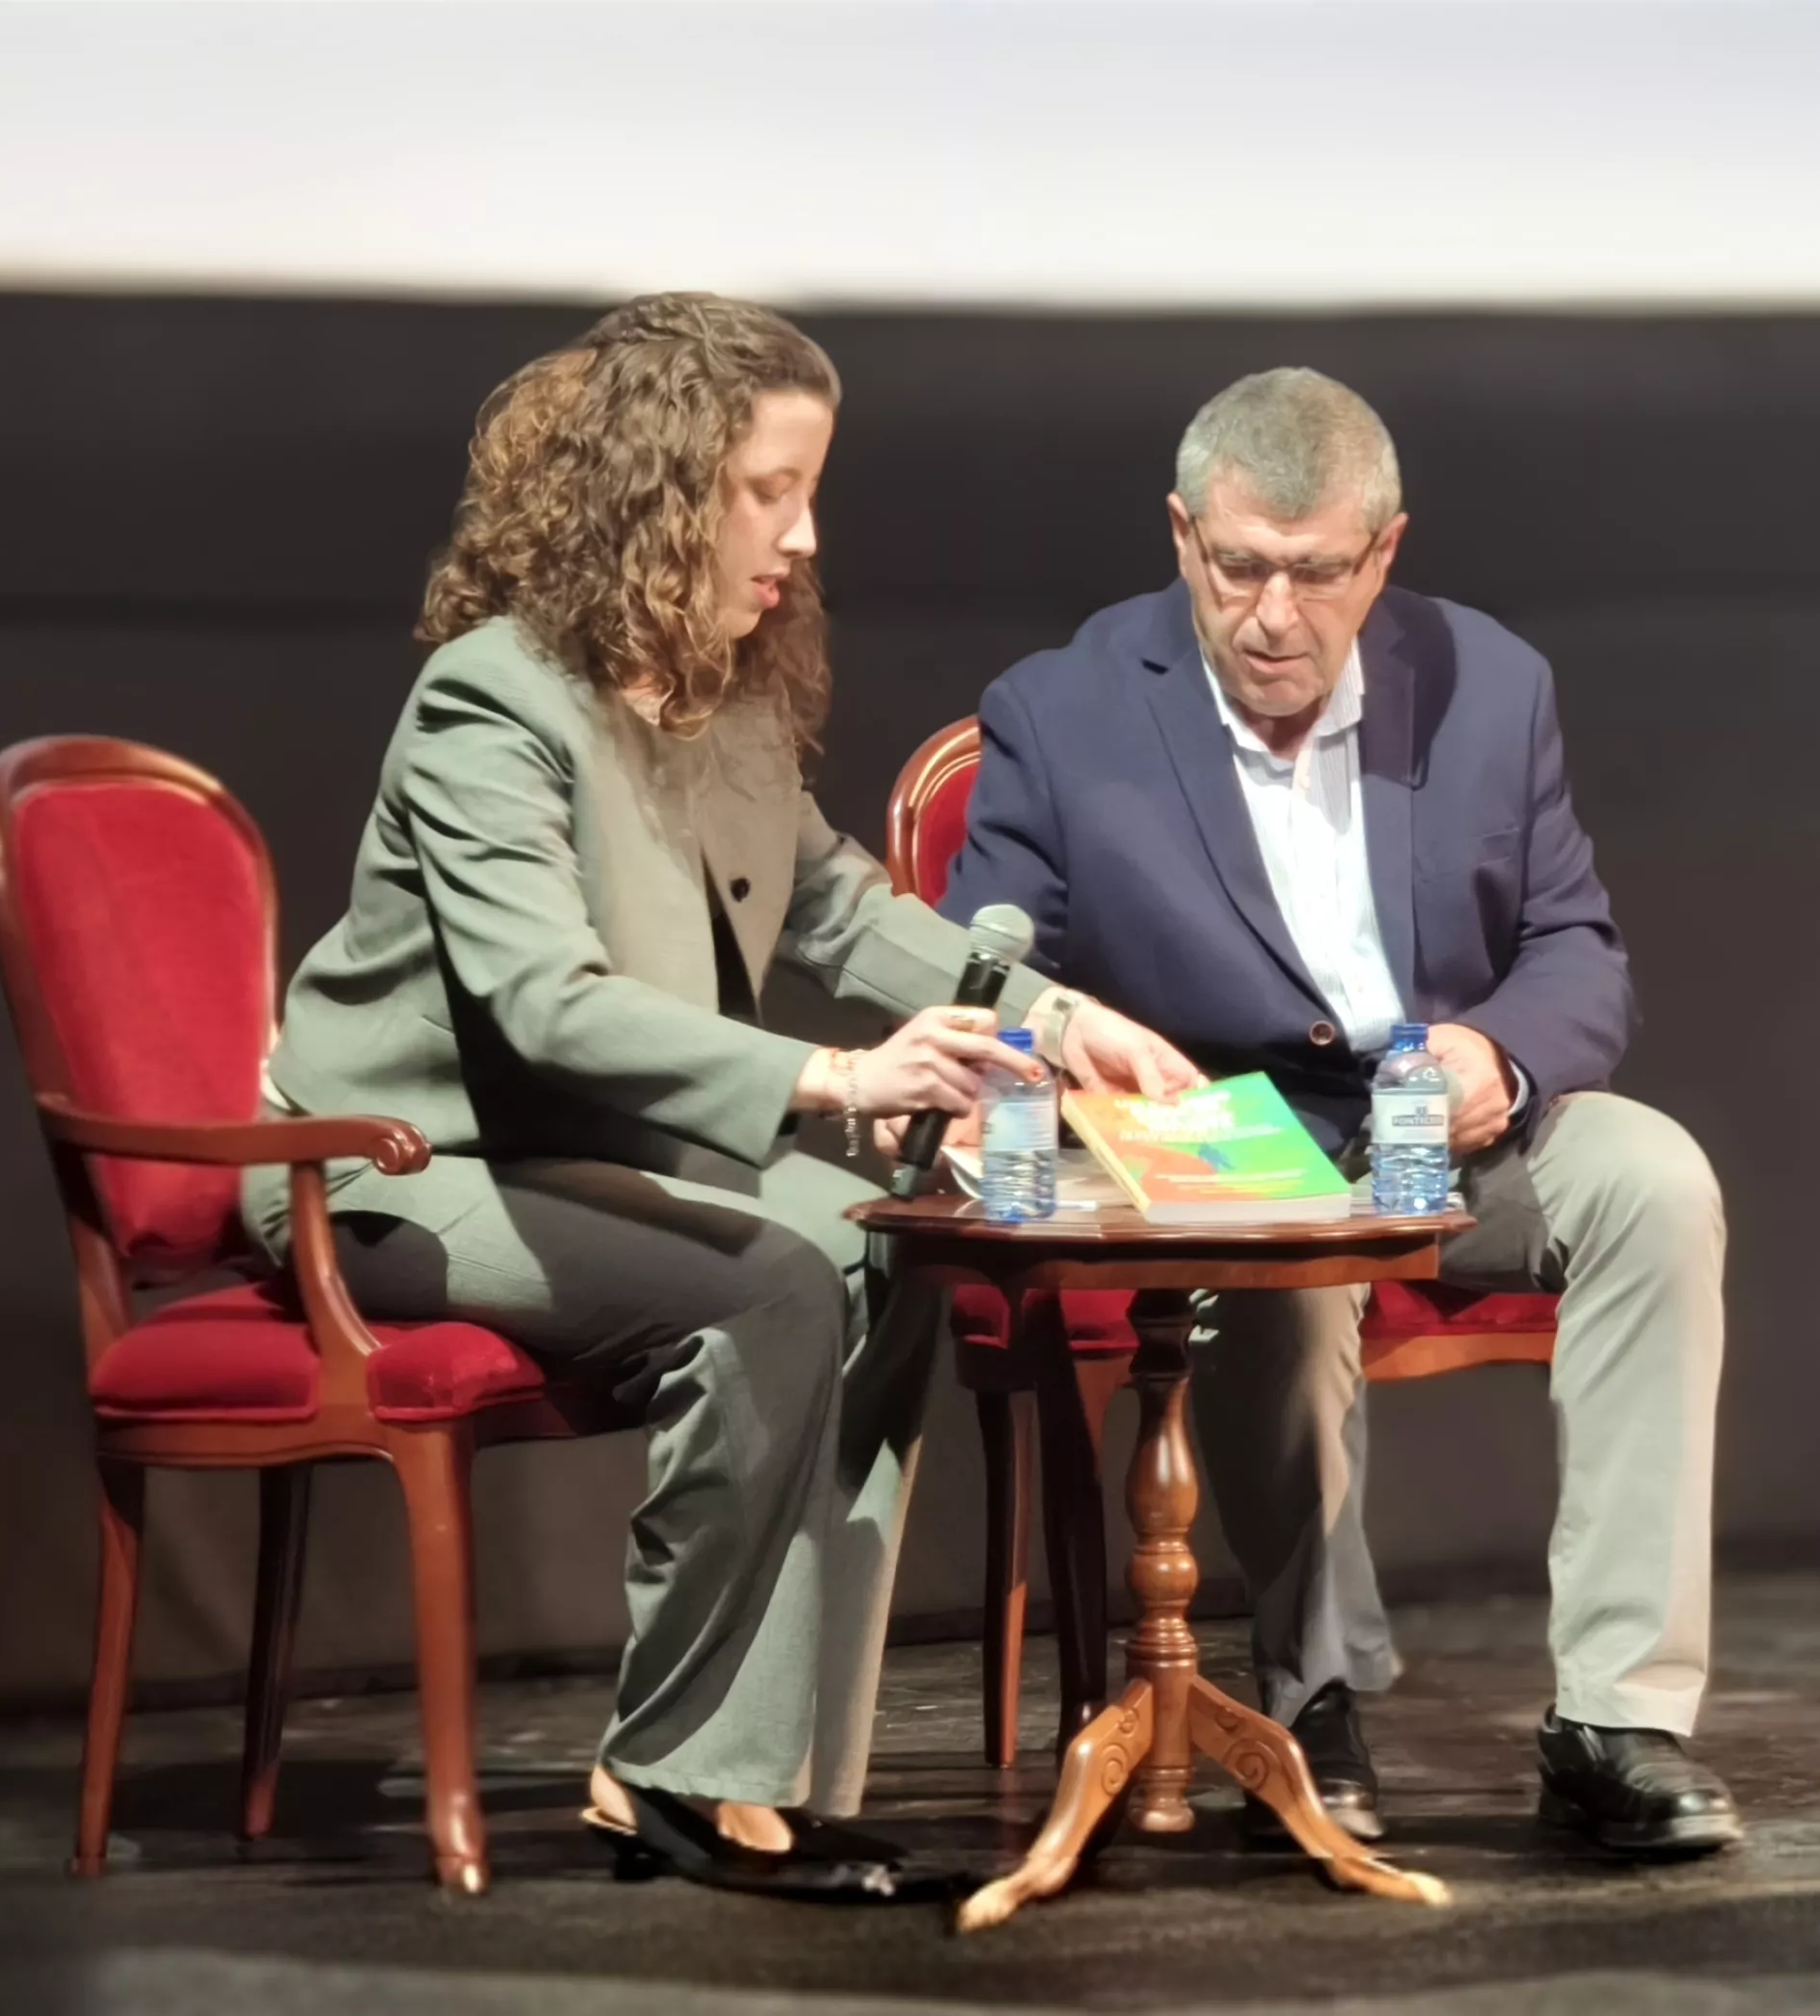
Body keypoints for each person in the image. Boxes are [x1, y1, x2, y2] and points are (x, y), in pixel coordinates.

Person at [244, 295, 1195, 1899]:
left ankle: (774, 1773)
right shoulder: (494, 701)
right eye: (773, 490)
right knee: (768, 1276)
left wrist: (1059, 1016)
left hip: (580, 1161)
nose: (804, 536)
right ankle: (668, 1769)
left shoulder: (721, 689)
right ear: (664, 486)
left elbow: (835, 905)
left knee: (893, 1233)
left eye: (813, 490)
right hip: (394, 1174)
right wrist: (830, 1074)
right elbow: (544, 1004)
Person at [939, 367, 1742, 1857]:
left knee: (1657, 1182)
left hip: (1447, 1121)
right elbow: (981, 975)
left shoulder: (1489, 683)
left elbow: (1576, 942)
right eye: (1238, 566)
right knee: (1282, 1273)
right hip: (1224, 1140)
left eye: (1317, 574)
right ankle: (1312, 1697)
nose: (1272, 614)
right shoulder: (1063, 711)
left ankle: (1618, 1719)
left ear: (1383, 552)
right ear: (1183, 537)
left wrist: (1502, 1053)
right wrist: (1069, 1053)